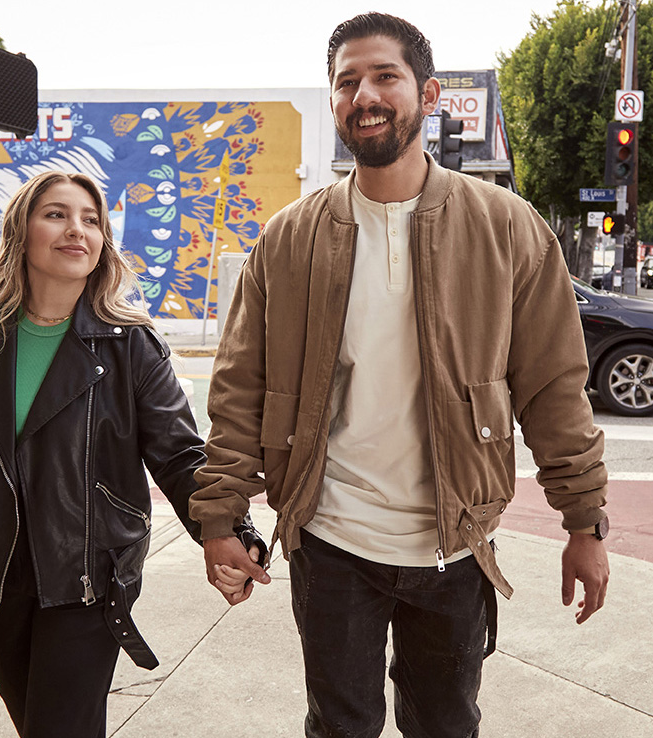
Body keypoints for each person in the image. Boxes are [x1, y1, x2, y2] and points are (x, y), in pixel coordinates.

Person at [190, 12, 610, 738]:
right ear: (332, 102)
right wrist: (221, 516)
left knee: (447, 726)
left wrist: (585, 522)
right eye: (346, 82)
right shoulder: (290, 238)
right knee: (339, 726)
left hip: (454, 543)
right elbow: (238, 391)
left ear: (429, 93)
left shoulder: (506, 227)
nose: (365, 95)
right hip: (331, 541)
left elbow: (553, 388)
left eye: (385, 76)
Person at [0, 170, 246, 737]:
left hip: (89, 575)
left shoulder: (131, 343)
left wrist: (224, 528)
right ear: (23, 230)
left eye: (91, 220)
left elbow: (179, 455)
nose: (77, 230)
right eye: (57, 214)